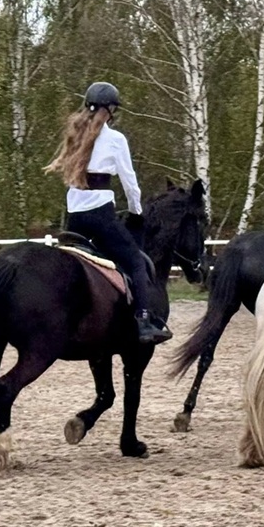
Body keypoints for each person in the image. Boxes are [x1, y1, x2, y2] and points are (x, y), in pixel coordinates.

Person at [44, 82, 172, 345]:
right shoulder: (115, 140)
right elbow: (129, 181)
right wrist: (136, 211)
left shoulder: (75, 134)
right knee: (136, 262)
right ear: (110, 109)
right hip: (101, 217)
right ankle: (144, 321)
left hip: (74, 218)